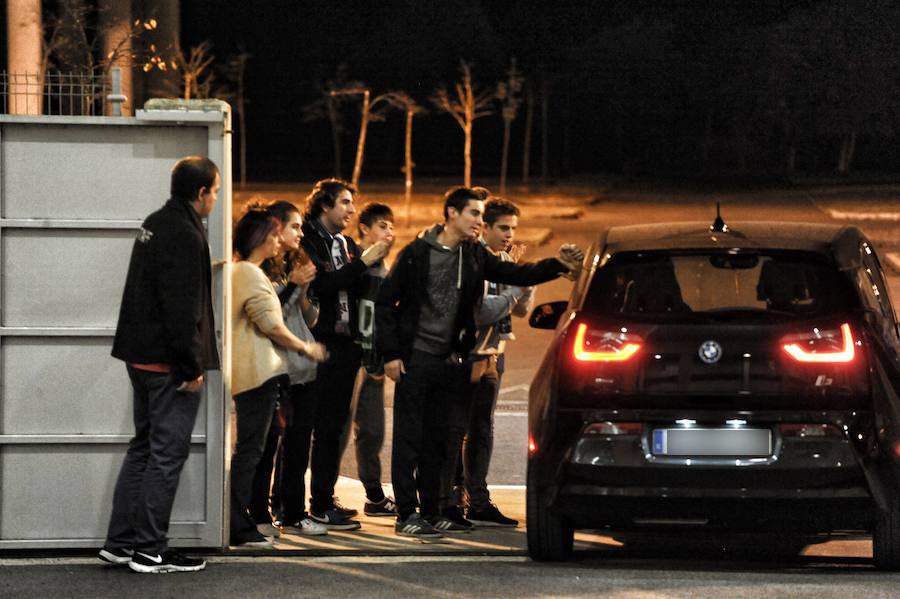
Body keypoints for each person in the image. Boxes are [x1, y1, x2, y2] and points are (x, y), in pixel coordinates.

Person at [375, 186, 584, 539]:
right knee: (409, 438)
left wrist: (558, 265)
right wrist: (390, 354)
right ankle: (406, 514)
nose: (479, 220)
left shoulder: (472, 254)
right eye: (474, 213)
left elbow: (517, 275)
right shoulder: (416, 254)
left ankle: (431, 511)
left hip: (451, 360)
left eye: (481, 214)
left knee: (439, 440)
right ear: (452, 214)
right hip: (415, 359)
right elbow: (385, 304)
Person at [100, 156, 221, 573]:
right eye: (216, 191)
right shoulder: (187, 234)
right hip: (168, 365)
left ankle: (120, 543)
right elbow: (181, 309)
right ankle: (150, 550)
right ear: (202, 193)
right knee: (167, 455)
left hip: (139, 357)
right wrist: (191, 367)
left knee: (143, 449)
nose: (216, 200)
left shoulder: (155, 222)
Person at [230, 208, 327, 547]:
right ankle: (240, 523)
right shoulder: (249, 273)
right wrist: (304, 347)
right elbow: (270, 324)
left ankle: (245, 520)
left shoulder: (247, 272)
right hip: (258, 372)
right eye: (274, 234)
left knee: (259, 449)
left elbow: (298, 316)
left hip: (267, 372)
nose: (279, 240)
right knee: (253, 451)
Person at [301, 179, 390, 530]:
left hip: (346, 345)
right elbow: (322, 285)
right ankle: (310, 505)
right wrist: (362, 262)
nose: (353, 210)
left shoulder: (346, 243)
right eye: (346, 203)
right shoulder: (310, 240)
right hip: (317, 344)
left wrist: (375, 266)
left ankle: (322, 499)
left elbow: (356, 287)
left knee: (332, 427)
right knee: (312, 427)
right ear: (325, 205)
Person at [460, 197, 533, 528]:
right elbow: (484, 311)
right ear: (484, 228)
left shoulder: (503, 259)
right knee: (461, 427)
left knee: (482, 429)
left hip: (494, 354)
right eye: (503, 228)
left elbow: (518, 311)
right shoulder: (473, 261)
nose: (509, 235)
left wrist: (524, 283)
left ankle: (476, 498)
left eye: (513, 229)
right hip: (470, 355)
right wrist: (516, 288)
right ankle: (455, 498)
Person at [345, 202, 398, 517]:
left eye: (391, 227)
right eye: (382, 226)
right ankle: (309, 501)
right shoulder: (353, 259)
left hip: (373, 361)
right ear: (364, 228)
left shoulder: (385, 266)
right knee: (335, 431)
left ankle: (374, 497)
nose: (389, 232)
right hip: (351, 358)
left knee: (373, 431)